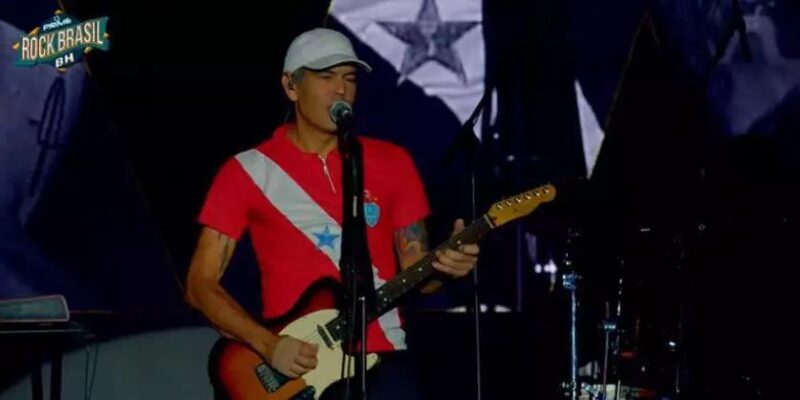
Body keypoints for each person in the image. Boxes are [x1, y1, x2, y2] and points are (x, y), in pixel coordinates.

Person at [185, 27, 480, 399]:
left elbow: (415, 270)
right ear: (291, 86)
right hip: (297, 371)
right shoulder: (247, 170)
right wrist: (268, 345)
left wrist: (444, 268)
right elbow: (200, 285)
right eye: (326, 77)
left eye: (349, 78)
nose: (341, 89)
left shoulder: (392, 162)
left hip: (385, 360)